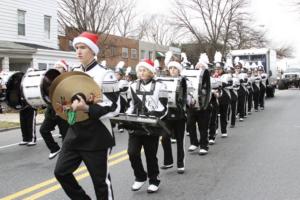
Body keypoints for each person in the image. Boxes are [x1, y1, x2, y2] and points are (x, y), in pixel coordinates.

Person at [54, 32, 120, 200]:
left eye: (82, 47)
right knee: (61, 172)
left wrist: (87, 108)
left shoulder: (106, 74)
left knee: (101, 183)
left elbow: (115, 107)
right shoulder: (72, 73)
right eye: (76, 48)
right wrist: (63, 107)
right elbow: (66, 101)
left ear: (92, 50)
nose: (78, 51)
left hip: (97, 136)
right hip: (75, 134)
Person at [126, 59, 168, 193]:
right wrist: (126, 117)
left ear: (151, 72)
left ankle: (154, 180)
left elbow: (164, 107)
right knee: (132, 153)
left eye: (144, 70)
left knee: (151, 155)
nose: (141, 72)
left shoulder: (161, 86)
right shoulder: (132, 86)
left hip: (152, 126)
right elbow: (131, 105)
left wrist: (153, 116)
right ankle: (140, 177)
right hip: (136, 125)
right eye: (139, 70)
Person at [161, 61, 187, 174]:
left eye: (174, 68)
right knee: (165, 138)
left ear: (179, 70)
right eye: (170, 68)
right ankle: (168, 161)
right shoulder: (163, 81)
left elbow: (188, 96)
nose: (172, 70)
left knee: (180, 140)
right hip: (166, 114)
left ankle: (180, 164)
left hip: (179, 114)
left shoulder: (184, 81)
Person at [39, 60, 69, 159]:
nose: (56, 68)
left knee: (66, 136)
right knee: (43, 130)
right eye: (55, 66)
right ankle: (54, 148)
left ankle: (66, 157)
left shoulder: (68, 80)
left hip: (64, 112)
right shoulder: (49, 80)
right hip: (52, 111)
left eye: (59, 67)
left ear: (64, 70)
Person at [187, 53, 211, 154]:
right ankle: (194, 142)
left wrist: (203, 92)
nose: (200, 67)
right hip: (192, 105)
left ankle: (204, 145)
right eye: (198, 66)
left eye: (202, 66)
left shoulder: (206, 75)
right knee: (190, 124)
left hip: (203, 105)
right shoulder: (191, 75)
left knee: (203, 126)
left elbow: (208, 89)